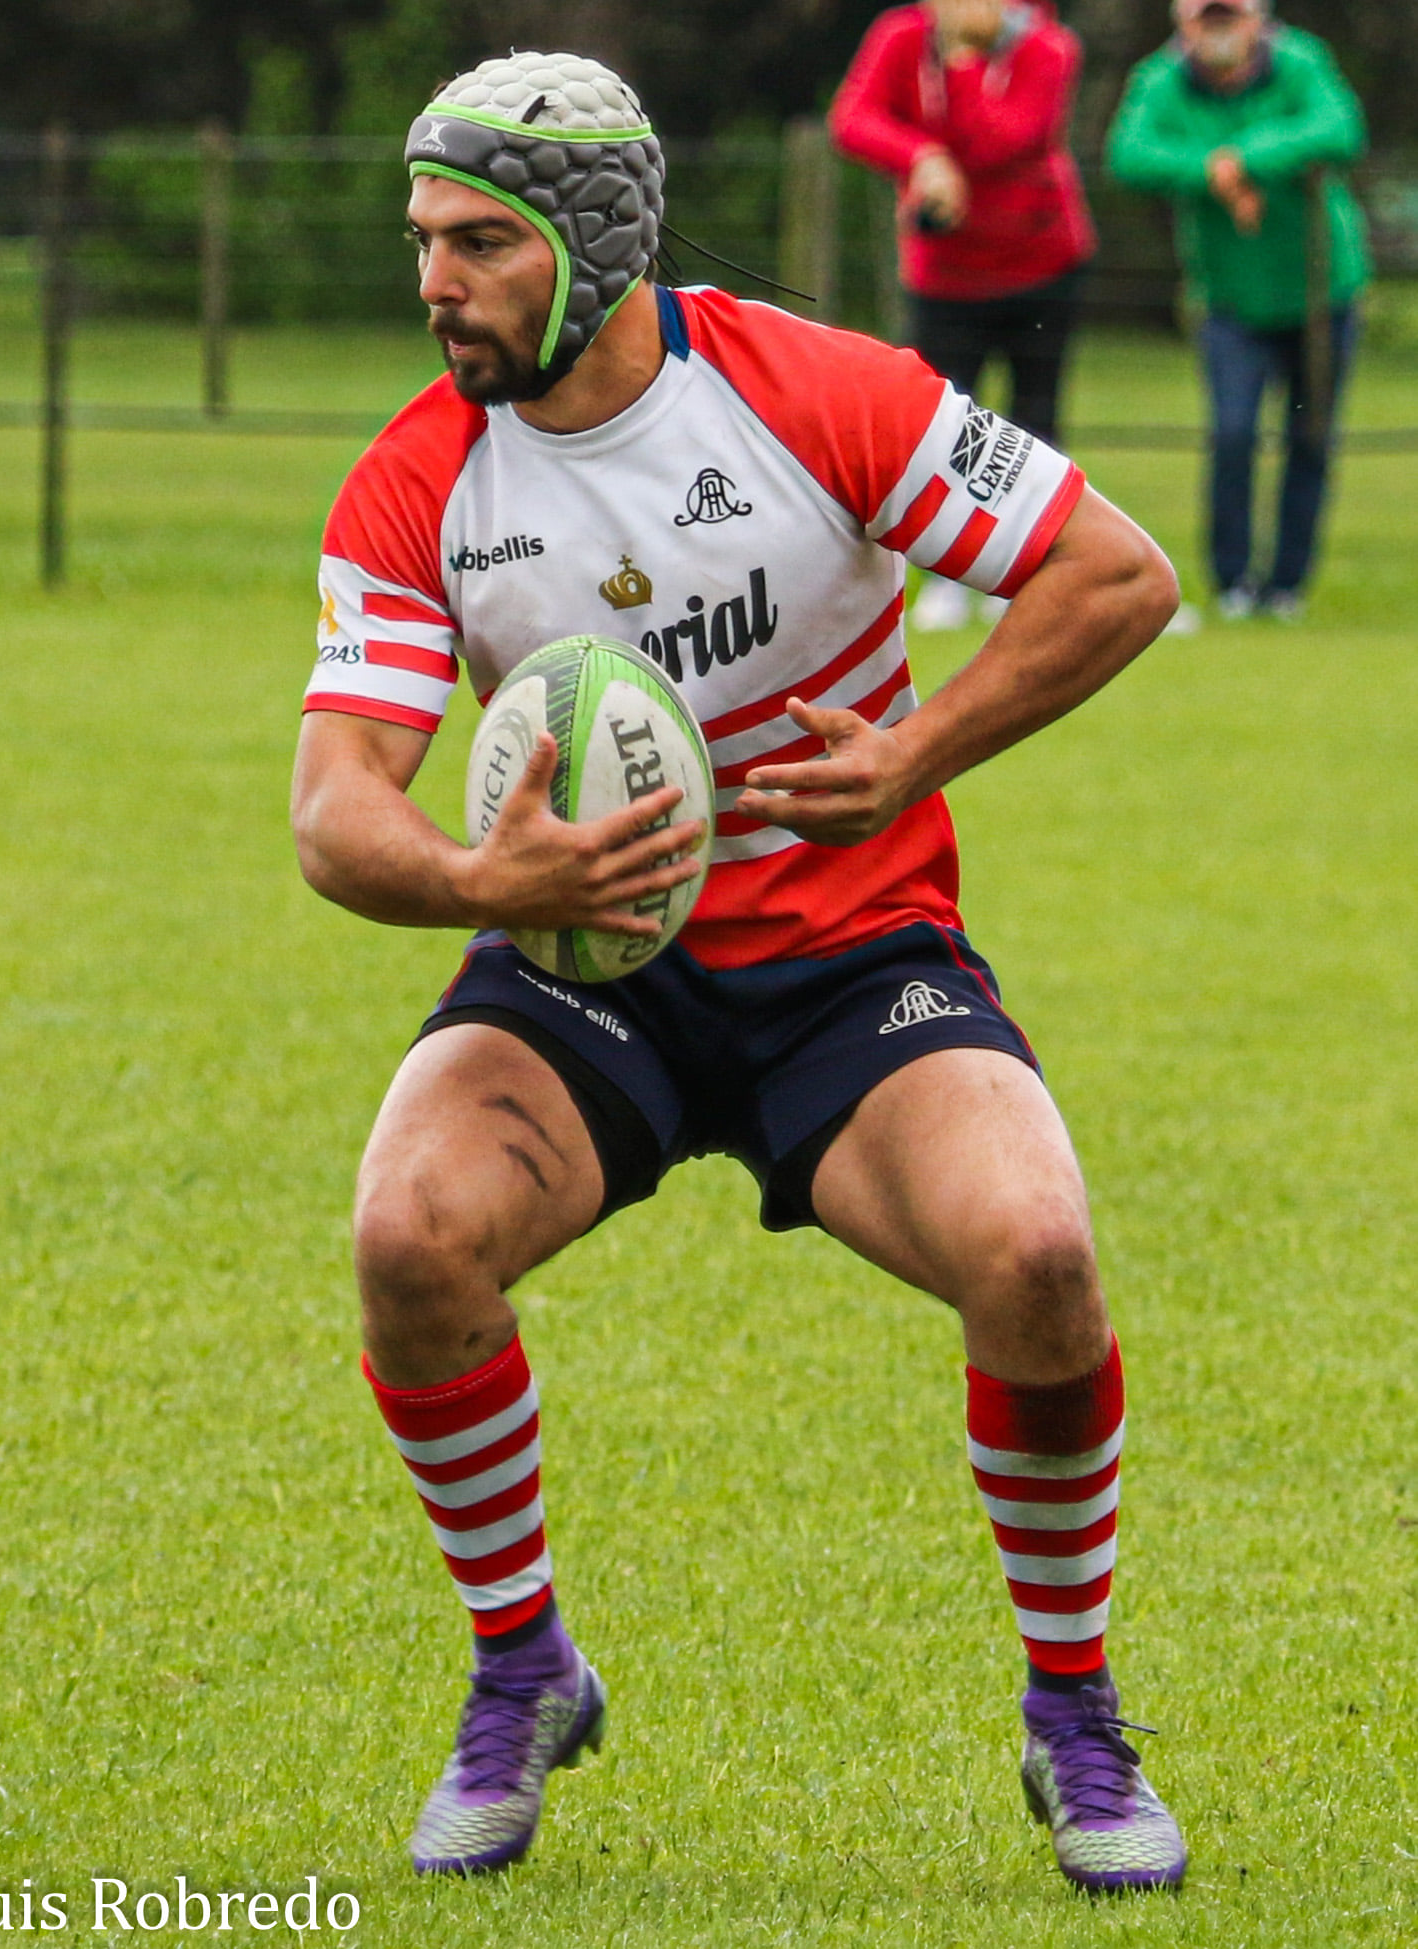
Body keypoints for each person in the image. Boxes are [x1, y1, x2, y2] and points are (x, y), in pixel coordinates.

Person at [290, 48, 1187, 1892]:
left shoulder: (811, 389)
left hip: (853, 966)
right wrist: (482, 872)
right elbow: (327, 810)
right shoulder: (422, 479)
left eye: (476, 242)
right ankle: (522, 1662)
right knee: (405, 1235)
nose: (432, 283)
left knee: (1034, 1254)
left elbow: (1112, 574)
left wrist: (908, 753)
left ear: (590, 243)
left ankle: (1074, 1712)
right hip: (580, 977)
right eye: (421, 241)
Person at [829, 0, 1096, 630]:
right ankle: (947, 577)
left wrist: (966, 62)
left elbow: (1005, 138)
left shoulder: (1050, 48)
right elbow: (853, 118)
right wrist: (920, 154)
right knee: (940, 434)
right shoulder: (899, 36)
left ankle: (1024, 573)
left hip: (1041, 267)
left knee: (1035, 424)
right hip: (944, 276)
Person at [1107, 0, 1369, 621]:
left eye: (1232, 15)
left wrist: (1243, 158)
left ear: (1259, 20)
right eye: (1206, 17)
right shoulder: (1160, 80)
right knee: (1232, 433)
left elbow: (1339, 128)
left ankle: (1287, 587)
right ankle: (1232, 583)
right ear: (1183, 23)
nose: (1219, 30)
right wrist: (1208, 171)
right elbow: (1130, 152)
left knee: (1311, 438)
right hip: (1228, 298)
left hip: (1320, 292)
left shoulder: (1301, 60)